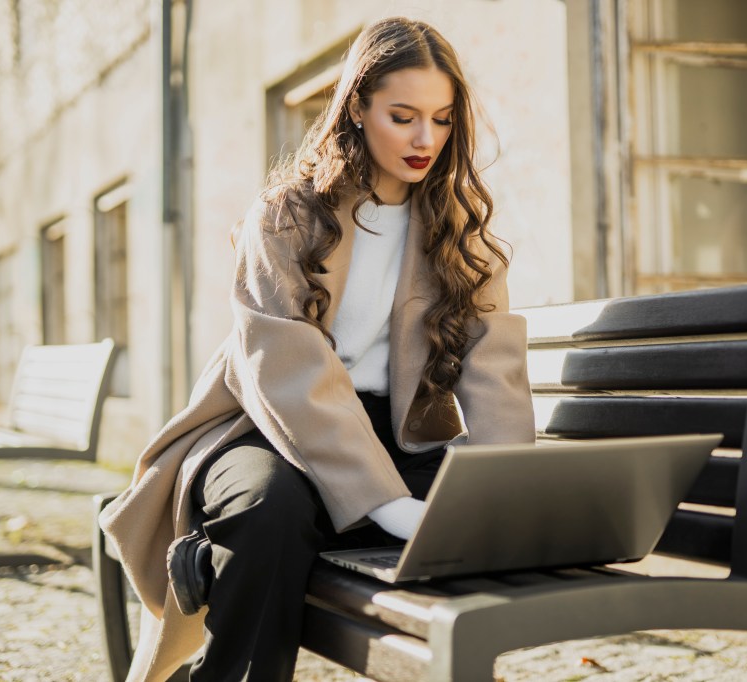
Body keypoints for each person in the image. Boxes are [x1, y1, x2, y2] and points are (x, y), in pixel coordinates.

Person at [99, 16, 535, 682]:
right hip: (268, 432)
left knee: (462, 522)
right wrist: (387, 505)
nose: (426, 139)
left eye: (443, 119)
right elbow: (285, 373)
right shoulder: (286, 216)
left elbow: (493, 375)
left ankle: (209, 567)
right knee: (270, 512)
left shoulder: (459, 232)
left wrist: (510, 496)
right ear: (357, 107)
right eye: (403, 115)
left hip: (399, 441)